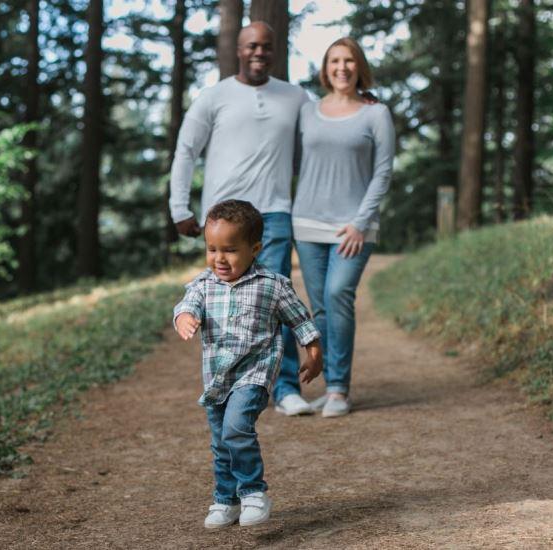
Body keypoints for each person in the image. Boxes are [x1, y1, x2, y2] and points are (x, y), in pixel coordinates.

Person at [169, 21, 314, 416]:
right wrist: (179, 208)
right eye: (251, 45)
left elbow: (320, 140)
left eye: (266, 46)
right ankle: (232, 383)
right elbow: (186, 151)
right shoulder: (213, 97)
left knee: (277, 300)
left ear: (275, 50)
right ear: (238, 48)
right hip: (223, 217)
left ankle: (284, 390)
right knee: (221, 305)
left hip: (275, 213)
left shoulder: (296, 97)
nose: (259, 52)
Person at [173, 200, 322, 529]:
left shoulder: (272, 285)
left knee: (237, 428)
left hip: (254, 374)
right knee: (220, 441)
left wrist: (314, 353)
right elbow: (187, 305)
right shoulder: (203, 285)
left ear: (254, 249)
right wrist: (184, 317)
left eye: (229, 249)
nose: (219, 259)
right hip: (217, 379)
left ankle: (254, 492)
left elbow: (301, 321)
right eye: (211, 249)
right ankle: (226, 499)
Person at [292, 37, 395, 418]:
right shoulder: (307, 111)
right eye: (334, 60)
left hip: (354, 227)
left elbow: (383, 172)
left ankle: (339, 389)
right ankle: (330, 384)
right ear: (325, 68)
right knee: (319, 307)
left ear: (359, 67)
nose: (342, 67)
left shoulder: (376, 114)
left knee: (338, 294)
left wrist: (360, 222)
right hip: (307, 223)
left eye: (349, 61)